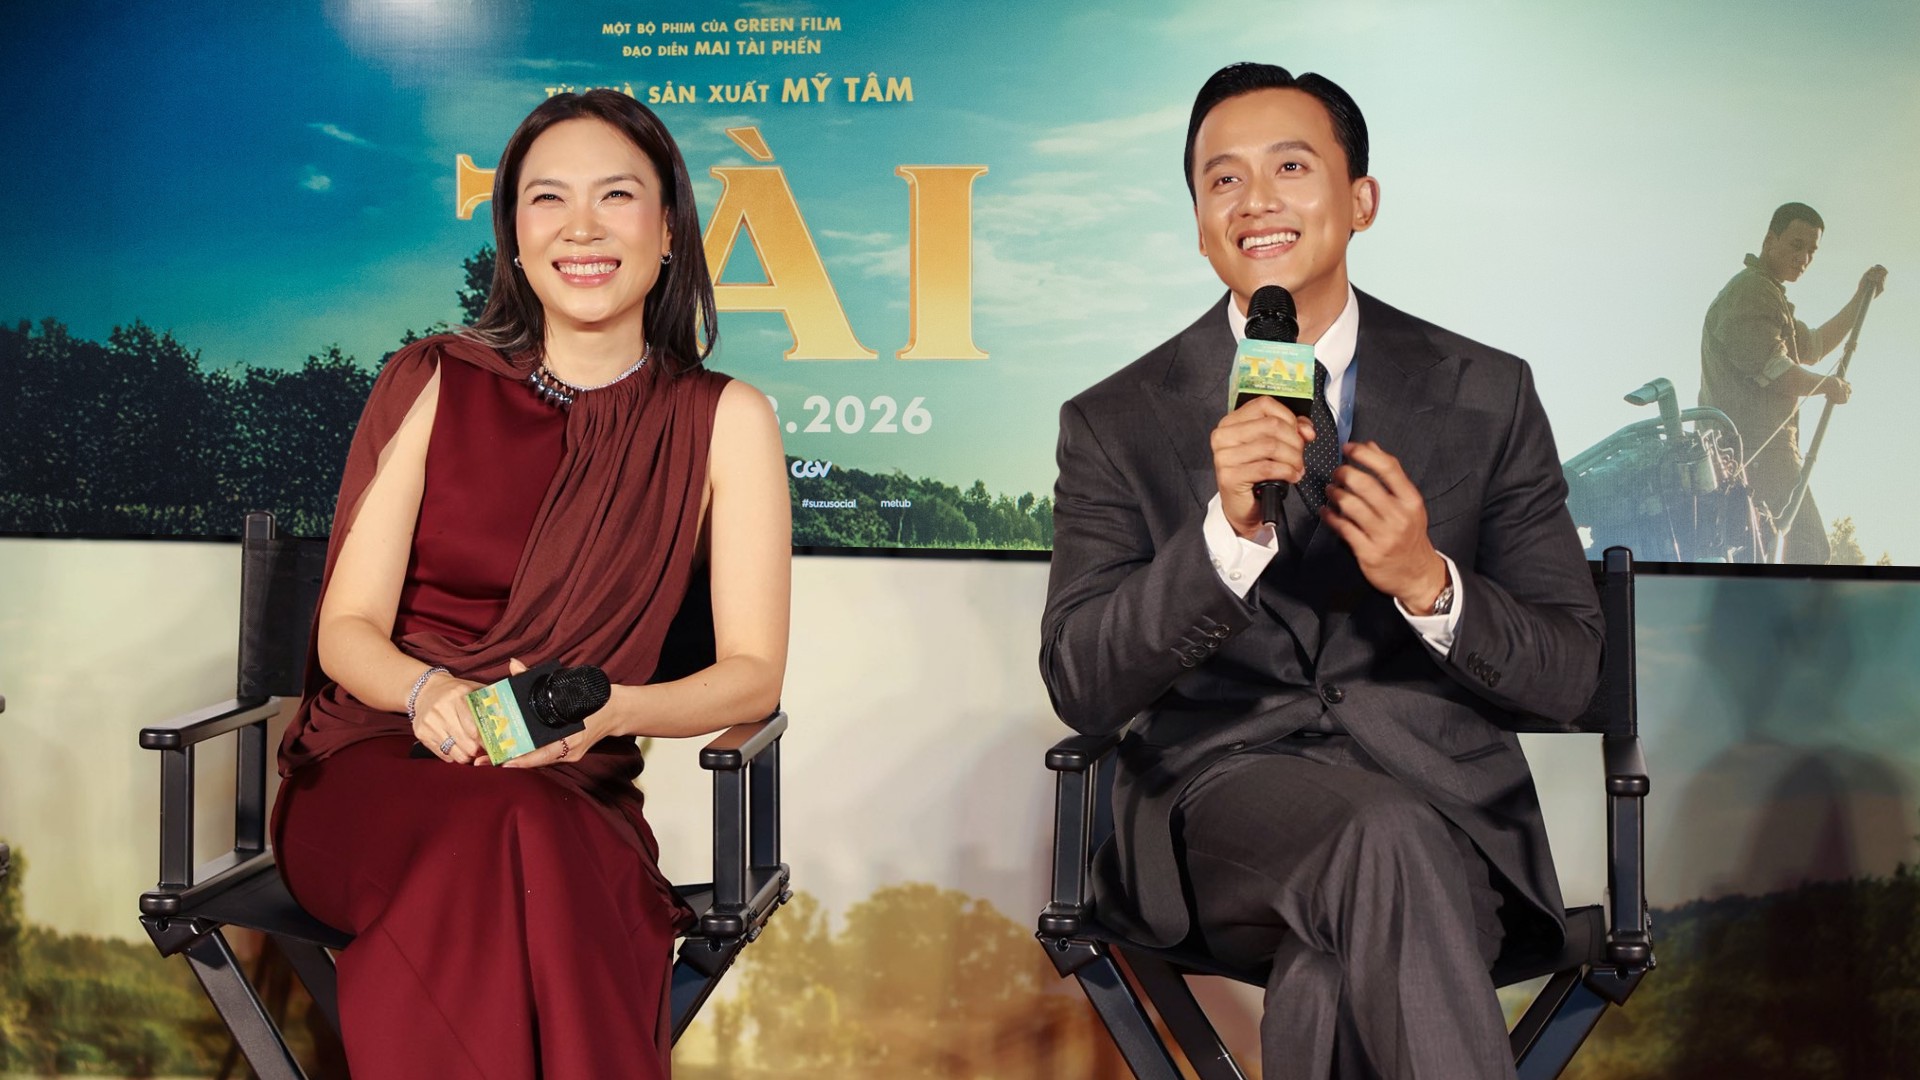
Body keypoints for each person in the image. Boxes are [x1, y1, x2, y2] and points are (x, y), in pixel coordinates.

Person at [1040, 63, 1602, 1078]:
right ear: (1200, 224)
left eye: (1290, 168)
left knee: (1330, 972)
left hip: (1450, 818)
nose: (1255, 201)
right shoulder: (1115, 420)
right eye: (1223, 180)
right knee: (1380, 841)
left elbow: (1567, 672)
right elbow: (1083, 681)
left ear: (1361, 200)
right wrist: (1224, 538)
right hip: (1220, 813)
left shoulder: (1487, 393)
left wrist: (1428, 581)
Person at [272, 89, 790, 1079]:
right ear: (514, 236)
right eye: (548, 199)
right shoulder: (432, 378)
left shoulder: (730, 420)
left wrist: (614, 712)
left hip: (566, 783)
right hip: (378, 765)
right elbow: (347, 629)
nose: (581, 228)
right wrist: (429, 692)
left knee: (529, 835)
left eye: (616, 196)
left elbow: (752, 676)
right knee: (517, 848)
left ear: (669, 229)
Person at [1699, 202, 1887, 564]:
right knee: (1808, 549)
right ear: (1770, 241)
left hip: (1759, 454)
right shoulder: (1750, 291)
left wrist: (1861, 297)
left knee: (1770, 556)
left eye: (1812, 251)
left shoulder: (1769, 294)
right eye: (1796, 245)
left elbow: (1812, 346)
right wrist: (1827, 386)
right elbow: (1774, 370)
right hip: (1755, 453)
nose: (1804, 258)